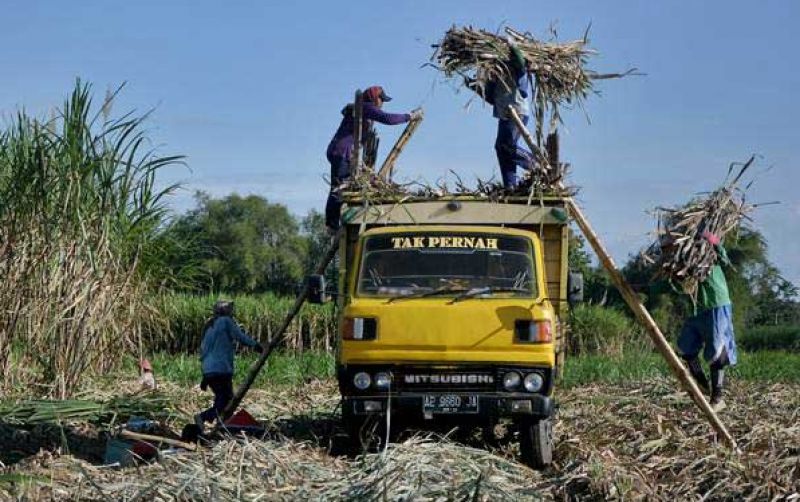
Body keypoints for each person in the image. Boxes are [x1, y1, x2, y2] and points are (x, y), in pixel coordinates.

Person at [325, 85, 420, 230]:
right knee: (339, 188)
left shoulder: (363, 110)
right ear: (374, 98)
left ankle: (339, 221)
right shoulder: (366, 107)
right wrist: (409, 116)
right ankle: (332, 224)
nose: (382, 103)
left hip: (345, 153)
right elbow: (387, 118)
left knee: (346, 187)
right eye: (381, 100)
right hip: (342, 152)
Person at [677, 231, 738, 411]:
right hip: (697, 308)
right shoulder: (683, 262)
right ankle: (701, 382)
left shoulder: (711, 257)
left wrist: (714, 242)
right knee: (684, 347)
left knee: (717, 351)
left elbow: (725, 260)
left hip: (716, 304)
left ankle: (718, 397)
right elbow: (672, 284)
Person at [468, 39, 536, 190]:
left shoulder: (514, 69)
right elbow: (491, 98)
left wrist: (513, 46)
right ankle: (510, 185)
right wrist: (474, 86)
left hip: (517, 112)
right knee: (500, 147)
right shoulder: (495, 79)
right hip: (504, 115)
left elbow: (521, 63)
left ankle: (535, 164)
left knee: (507, 146)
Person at [195, 300, 263, 428]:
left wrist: (205, 376)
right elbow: (240, 336)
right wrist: (256, 346)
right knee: (226, 400)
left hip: (209, 370)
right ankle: (204, 417)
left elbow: (204, 351)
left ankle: (220, 424)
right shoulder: (225, 321)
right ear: (225, 311)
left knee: (223, 398)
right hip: (221, 369)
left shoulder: (210, 326)